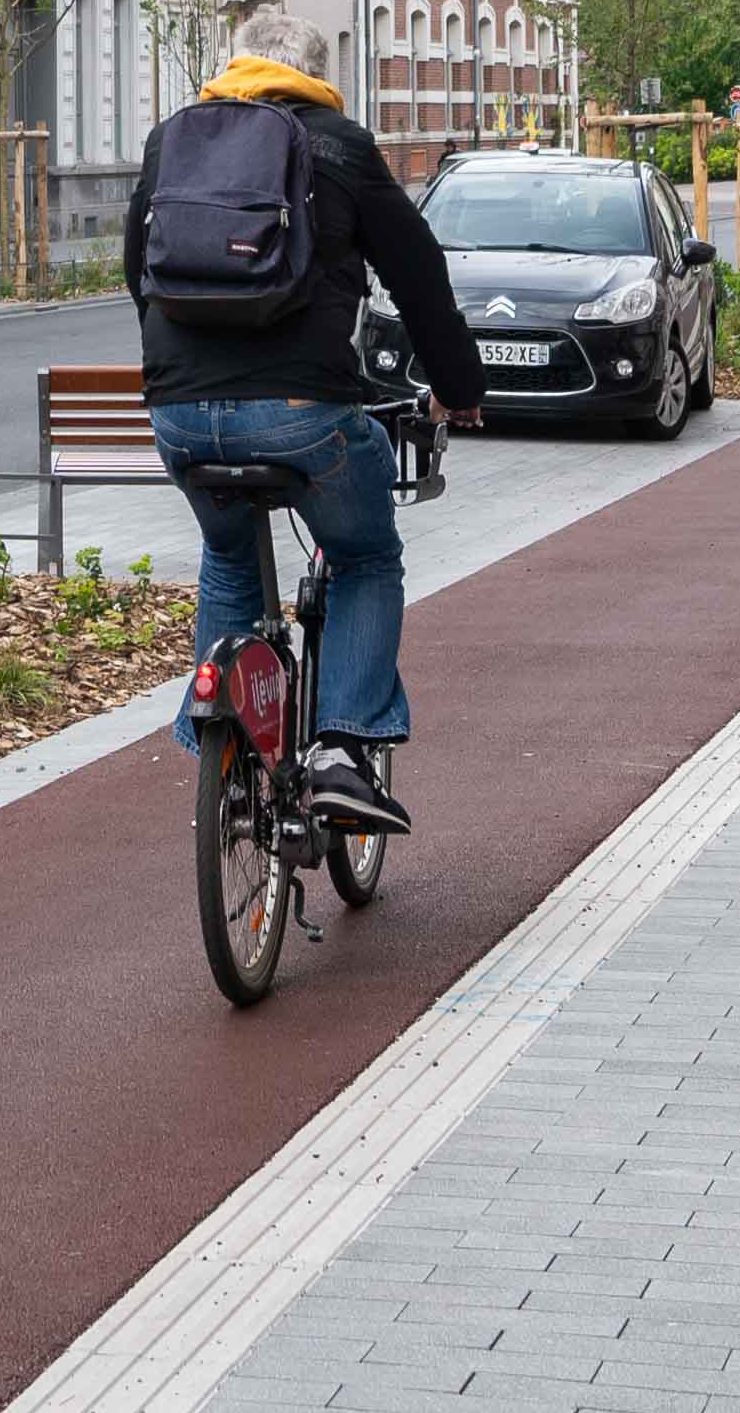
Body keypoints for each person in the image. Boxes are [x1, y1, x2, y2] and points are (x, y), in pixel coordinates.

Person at [121, 44, 483, 838]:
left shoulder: (172, 139)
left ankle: (228, 756)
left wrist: (178, 374)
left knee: (227, 551)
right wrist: (459, 390)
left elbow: (134, 268)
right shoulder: (340, 144)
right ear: (315, 71)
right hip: (301, 408)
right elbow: (418, 274)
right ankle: (339, 751)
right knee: (363, 555)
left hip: (180, 412)